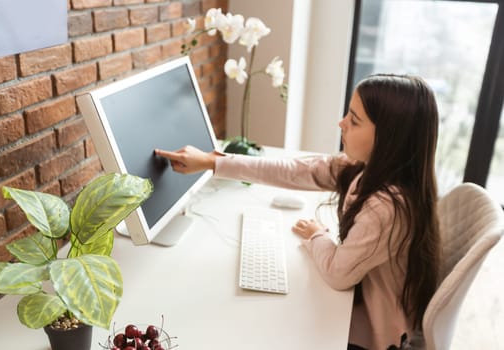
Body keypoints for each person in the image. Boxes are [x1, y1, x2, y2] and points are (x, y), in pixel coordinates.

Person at [155, 74, 442, 350]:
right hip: (363, 305)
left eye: (354, 120)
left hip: (377, 335)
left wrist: (318, 235)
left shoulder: (388, 206)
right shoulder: (368, 169)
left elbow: (337, 274)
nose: (341, 123)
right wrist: (211, 162)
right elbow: (296, 170)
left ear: (389, 139)